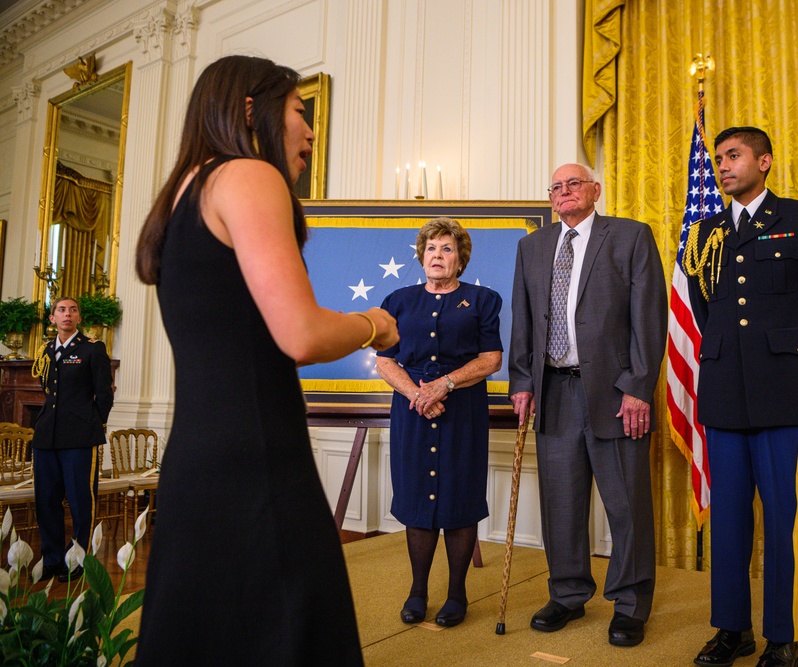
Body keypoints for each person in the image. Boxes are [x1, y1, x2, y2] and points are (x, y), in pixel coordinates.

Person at [133, 55, 397, 665]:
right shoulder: (248, 175)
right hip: (256, 467)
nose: (309, 131)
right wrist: (375, 325)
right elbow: (301, 334)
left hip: (196, 464)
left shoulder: (181, 192)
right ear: (252, 111)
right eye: (301, 112)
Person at [684, 127, 798, 667]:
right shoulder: (706, 231)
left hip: (783, 394)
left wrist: (795, 362)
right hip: (725, 392)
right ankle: (732, 630)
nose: (724, 166)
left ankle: (783, 638)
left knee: (782, 517)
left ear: (765, 161)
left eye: (734, 156)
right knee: (729, 519)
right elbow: (706, 310)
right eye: (719, 158)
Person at [508, 163, 668, 647]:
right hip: (553, 391)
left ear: (595, 190)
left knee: (627, 505)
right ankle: (568, 593)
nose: (563, 192)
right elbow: (523, 318)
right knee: (561, 503)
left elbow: (649, 317)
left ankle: (630, 604)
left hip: (616, 394)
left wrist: (640, 386)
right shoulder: (531, 247)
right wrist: (521, 380)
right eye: (555, 187)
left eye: (573, 183)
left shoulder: (630, 237)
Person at [375, 217, 503, 628]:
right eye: (432, 248)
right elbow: (384, 361)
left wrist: (444, 385)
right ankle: (417, 590)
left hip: (461, 413)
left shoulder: (484, 300)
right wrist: (418, 394)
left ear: (460, 259)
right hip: (412, 413)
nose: (438, 255)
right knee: (417, 502)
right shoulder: (397, 300)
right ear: (421, 255)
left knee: (460, 501)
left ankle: (457, 593)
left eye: (447, 249)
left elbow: (490, 359)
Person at [31, 296, 114, 583]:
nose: (67, 314)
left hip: (79, 437)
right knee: (46, 501)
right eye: (61, 310)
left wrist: (92, 423)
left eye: (73, 310)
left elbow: (104, 395)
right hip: (46, 437)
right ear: (52, 318)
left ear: (79, 318)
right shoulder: (46, 350)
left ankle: (76, 559)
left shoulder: (92, 349)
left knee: (80, 501)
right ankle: (52, 559)